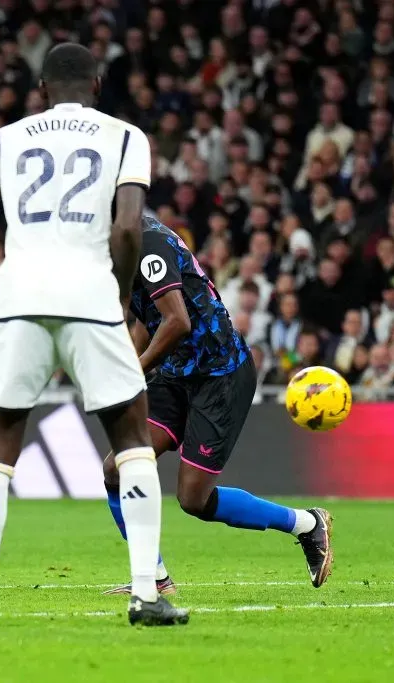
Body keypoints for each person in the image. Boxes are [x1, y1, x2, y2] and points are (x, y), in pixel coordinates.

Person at [0, 44, 188, 627]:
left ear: (42, 90)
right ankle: (145, 595)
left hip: (19, 300)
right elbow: (128, 228)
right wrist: (119, 294)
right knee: (132, 440)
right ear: (98, 84)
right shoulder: (126, 137)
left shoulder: (5, 140)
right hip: (90, 297)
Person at [100, 217, 334, 595]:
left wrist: (136, 370)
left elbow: (177, 322)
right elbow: (148, 315)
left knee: (194, 499)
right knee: (116, 469)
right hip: (177, 372)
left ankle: (307, 524)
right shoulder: (121, 246)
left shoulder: (149, 243)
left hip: (220, 374)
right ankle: (154, 578)